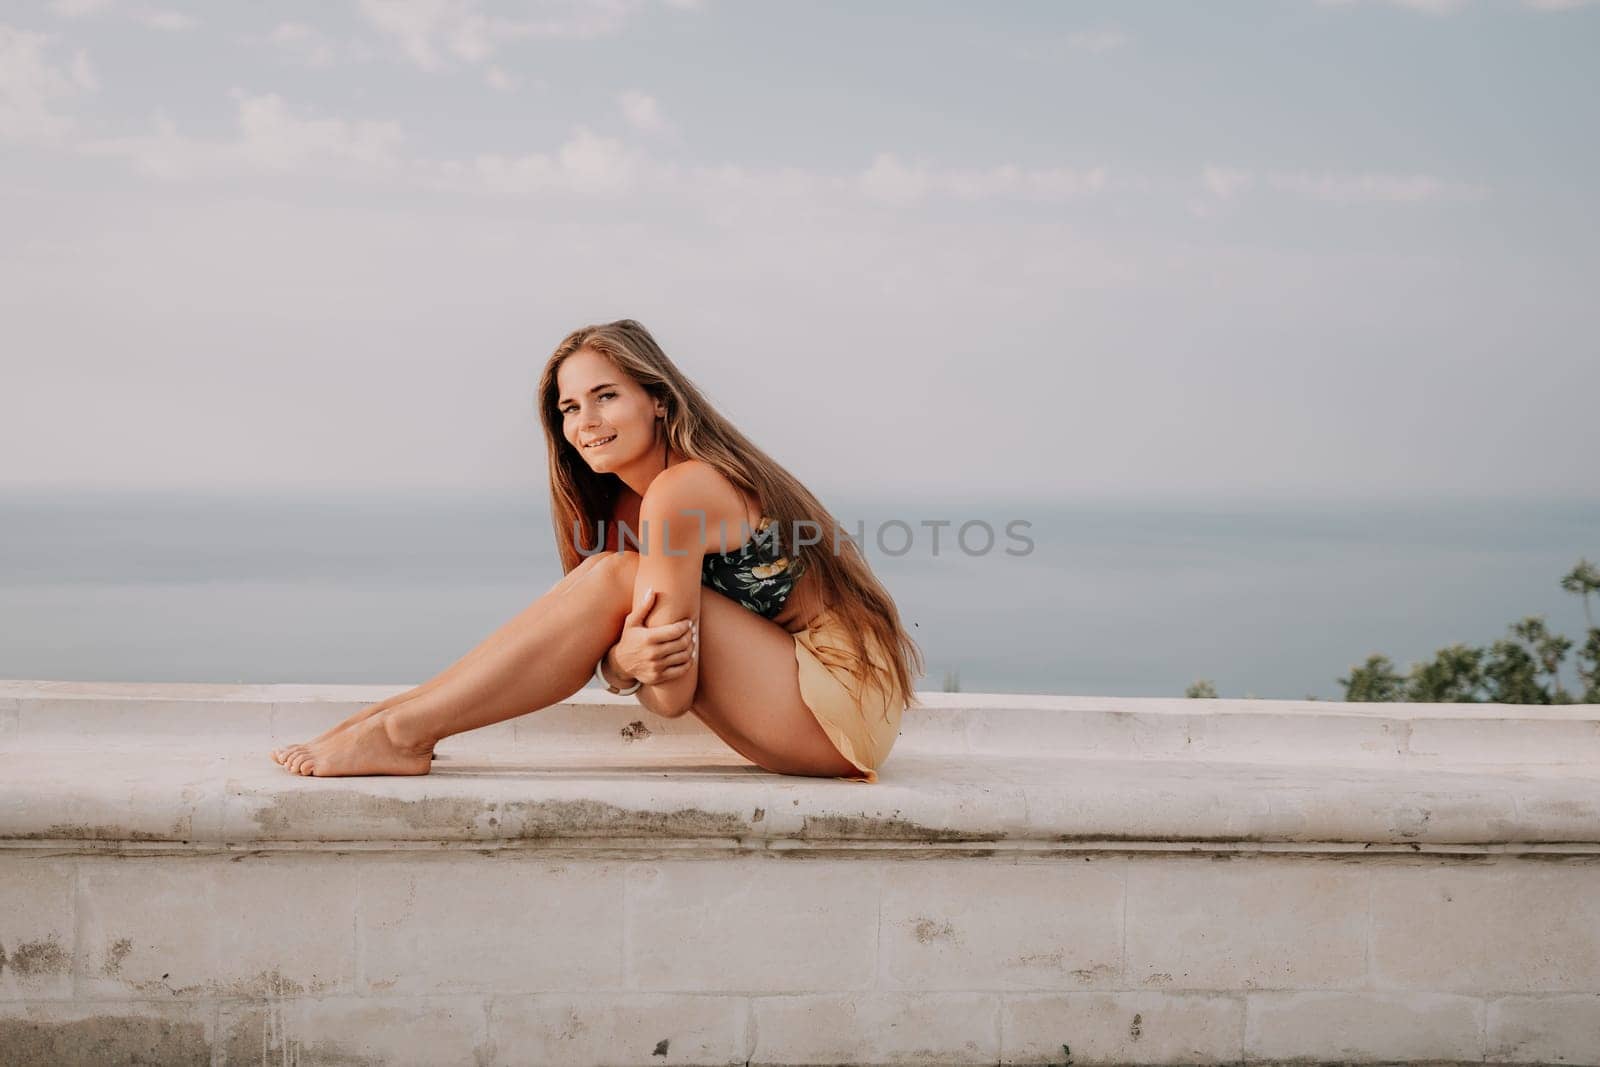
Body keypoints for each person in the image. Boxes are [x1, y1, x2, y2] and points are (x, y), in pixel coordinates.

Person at [270, 319, 923, 782]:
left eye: (607, 395)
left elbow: (668, 697)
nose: (585, 422)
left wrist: (626, 661)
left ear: (659, 402)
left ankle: (401, 734)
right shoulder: (629, 508)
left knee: (612, 577)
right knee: (609, 577)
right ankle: (390, 719)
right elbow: (615, 656)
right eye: (569, 406)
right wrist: (618, 661)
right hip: (804, 708)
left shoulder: (685, 489)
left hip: (839, 705)